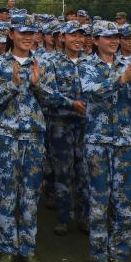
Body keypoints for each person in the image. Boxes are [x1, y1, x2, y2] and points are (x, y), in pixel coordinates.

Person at [81, 20, 131, 262]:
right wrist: (121, 80)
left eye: (116, 37)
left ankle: (120, 253)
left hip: (125, 141)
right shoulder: (87, 64)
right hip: (98, 141)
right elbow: (91, 92)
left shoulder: (129, 63)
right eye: (107, 37)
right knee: (99, 200)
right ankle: (99, 254)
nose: (113, 41)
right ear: (95, 40)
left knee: (125, 201)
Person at [0, 14, 55, 262]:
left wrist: (37, 85)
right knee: (6, 194)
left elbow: (52, 100)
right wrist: (12, 85)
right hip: (6, 136)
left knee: (30, 195)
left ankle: (27, 249)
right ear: (11, 35)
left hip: (34, 137)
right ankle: (7, 249)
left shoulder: (42, 62)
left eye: (31, 33)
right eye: (22, 32)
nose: (27, 37)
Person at [48, 21, 89, 236]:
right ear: (62, 37)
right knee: (63, 172)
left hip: (85, 125)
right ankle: (64, 217)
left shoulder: (90, 62)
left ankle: (84, 217)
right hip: (61, 125)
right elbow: (47, 92)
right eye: (73, 35)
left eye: (81, 35)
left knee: (85, 172)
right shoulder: (52, 62)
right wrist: (70, 103)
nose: (78, 39)